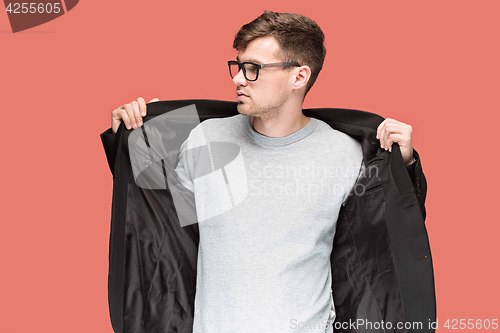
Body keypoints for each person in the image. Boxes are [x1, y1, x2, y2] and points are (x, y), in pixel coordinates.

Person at [106, 10, 417, 333]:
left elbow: (380, 243)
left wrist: (403, 166)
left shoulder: (347, 152)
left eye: (253, 69)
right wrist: (138, 132)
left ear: (299, 77)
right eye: (238, 66)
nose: (238, 79)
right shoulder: (205, 137)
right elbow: (153, 214)